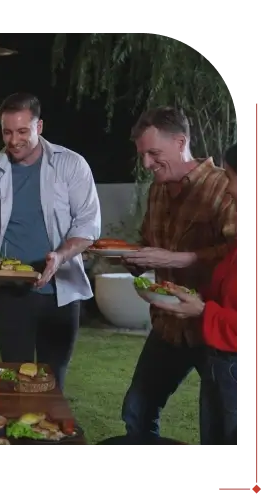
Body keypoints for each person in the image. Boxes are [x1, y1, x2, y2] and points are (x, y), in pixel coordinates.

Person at [0, 92, 101, 391]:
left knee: (53, 380)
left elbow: (87, 224)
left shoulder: (71, 165)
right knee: (15, 379)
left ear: (39, 127)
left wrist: (60, 255)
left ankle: (50, 423)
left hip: (61, 293)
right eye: (7, 132)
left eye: (22, 131)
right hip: (12, 296)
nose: (14, 140)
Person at [121, 107, 237, 447]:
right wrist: (136, 259)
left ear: (181, 142)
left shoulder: (224, 187)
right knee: (137, 411)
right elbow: (149, 240)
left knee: (222, 431)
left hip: (210, 327)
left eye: (153, 153)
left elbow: (237, 252)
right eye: (142, 155)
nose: (147, 163)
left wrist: (179, 258)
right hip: (168, 324)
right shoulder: (157, 190)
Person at [151, 143, 242, 448]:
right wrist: (186, 294)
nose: (227, 189)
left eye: (230, 178)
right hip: (220, 362)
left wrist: (203, 311)